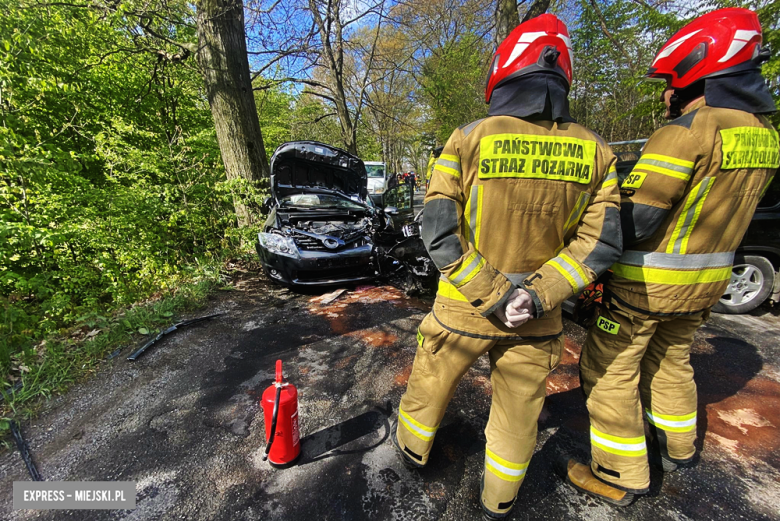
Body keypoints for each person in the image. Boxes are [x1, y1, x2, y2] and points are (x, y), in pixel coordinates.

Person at [391, 14, 622, 519]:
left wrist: (493, 294)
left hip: (462, 309)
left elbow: (438, 231)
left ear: (505, 70)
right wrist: (534, 295)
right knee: (520, 414)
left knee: (431, 383)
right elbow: (600, 244)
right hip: (538, 319)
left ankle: (412, 450)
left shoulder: (469, 138)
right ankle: (499, 500)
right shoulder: (596, 151)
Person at [559, 7, 778, 507]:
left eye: (669, 83)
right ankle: (678, 448)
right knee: (672, 362)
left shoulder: (687, 131)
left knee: (607, 371)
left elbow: (637, 219)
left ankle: (620, 473)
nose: (665, 94)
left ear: (697, 70)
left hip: (645, 288)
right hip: (706, 286)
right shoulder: (764, 135)